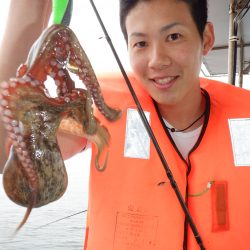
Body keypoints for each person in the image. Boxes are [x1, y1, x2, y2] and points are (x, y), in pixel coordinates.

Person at [1, 0, 250, 249]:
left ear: (206, 39)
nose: (157, 60)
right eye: (141, 43)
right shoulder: (104, 112)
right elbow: (7, 149)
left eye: (174, 37)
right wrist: (30, 9)